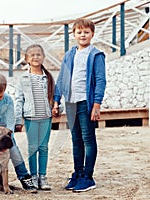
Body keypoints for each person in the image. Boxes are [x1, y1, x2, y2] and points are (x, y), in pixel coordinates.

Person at [52, 18, 106, 192]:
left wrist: (96, 104)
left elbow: (100, 80)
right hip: (70, 103)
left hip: (86, 102)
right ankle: (78, 173)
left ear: (92, 34)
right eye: (79, 32)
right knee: (76, 140)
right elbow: (61, 79)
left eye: (86, 32)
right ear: (74, 34)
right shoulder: (69, 55)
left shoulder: (96, 55)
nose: (83, 35)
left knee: (88, 139)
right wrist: (56, 100)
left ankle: (88, 177)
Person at [14, 44, 55, 190]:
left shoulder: (48, 77)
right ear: (27, 59)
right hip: (30, 117)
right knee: (32, 148)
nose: (35, 57)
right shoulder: (23, 78)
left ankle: (42, 177)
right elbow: (19, 99)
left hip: (46, 117)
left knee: (43, 147)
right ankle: (33, 176)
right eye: (32, 55)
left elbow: (55, 96)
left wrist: (58, 107)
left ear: (43, 57)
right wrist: (18, 120)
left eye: (38, 54)